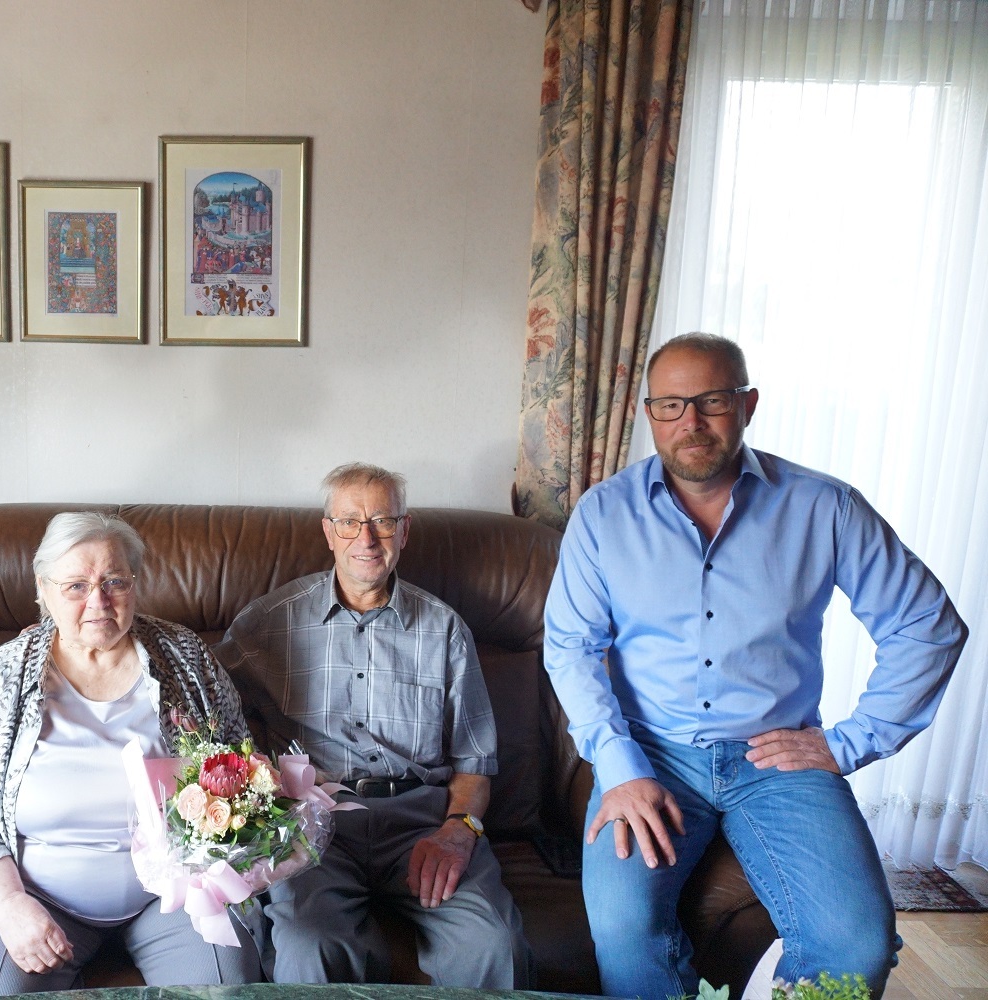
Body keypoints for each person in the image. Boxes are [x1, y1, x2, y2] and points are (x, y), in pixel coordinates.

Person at [544, 333, 969, 999]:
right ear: (648, 413)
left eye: (711, 401)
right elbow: (568, 646)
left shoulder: (825, 507)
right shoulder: (603, 515)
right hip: (650, 754)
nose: (691, 423)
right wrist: (619, 765)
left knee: (856, 944)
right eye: (671, 405)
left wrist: (851, 741)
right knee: (625, 931)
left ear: (748, 403)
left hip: (777, 759)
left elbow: (928, 625)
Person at [0, 512, 263, 996]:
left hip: (174, 895)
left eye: (115, 581)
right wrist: (9, 903)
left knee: (224, 992)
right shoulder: (7, 672)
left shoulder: (185, 655)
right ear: (44, 589)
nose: (98, 601)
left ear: (136, 584)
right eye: (76, 585)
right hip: (37, 896)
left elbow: (236, 763)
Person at [214, 463, 530, 988]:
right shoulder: (267, 623)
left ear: (404, 532)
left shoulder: (445, 630)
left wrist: (458, 831)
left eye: (383, 521)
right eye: (349, 522)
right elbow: (208, 713)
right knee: (307, 946)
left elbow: (475, 765)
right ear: (328, 531)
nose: (366, 537)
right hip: (315, 827)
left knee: (493, 943)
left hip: (422, 823)